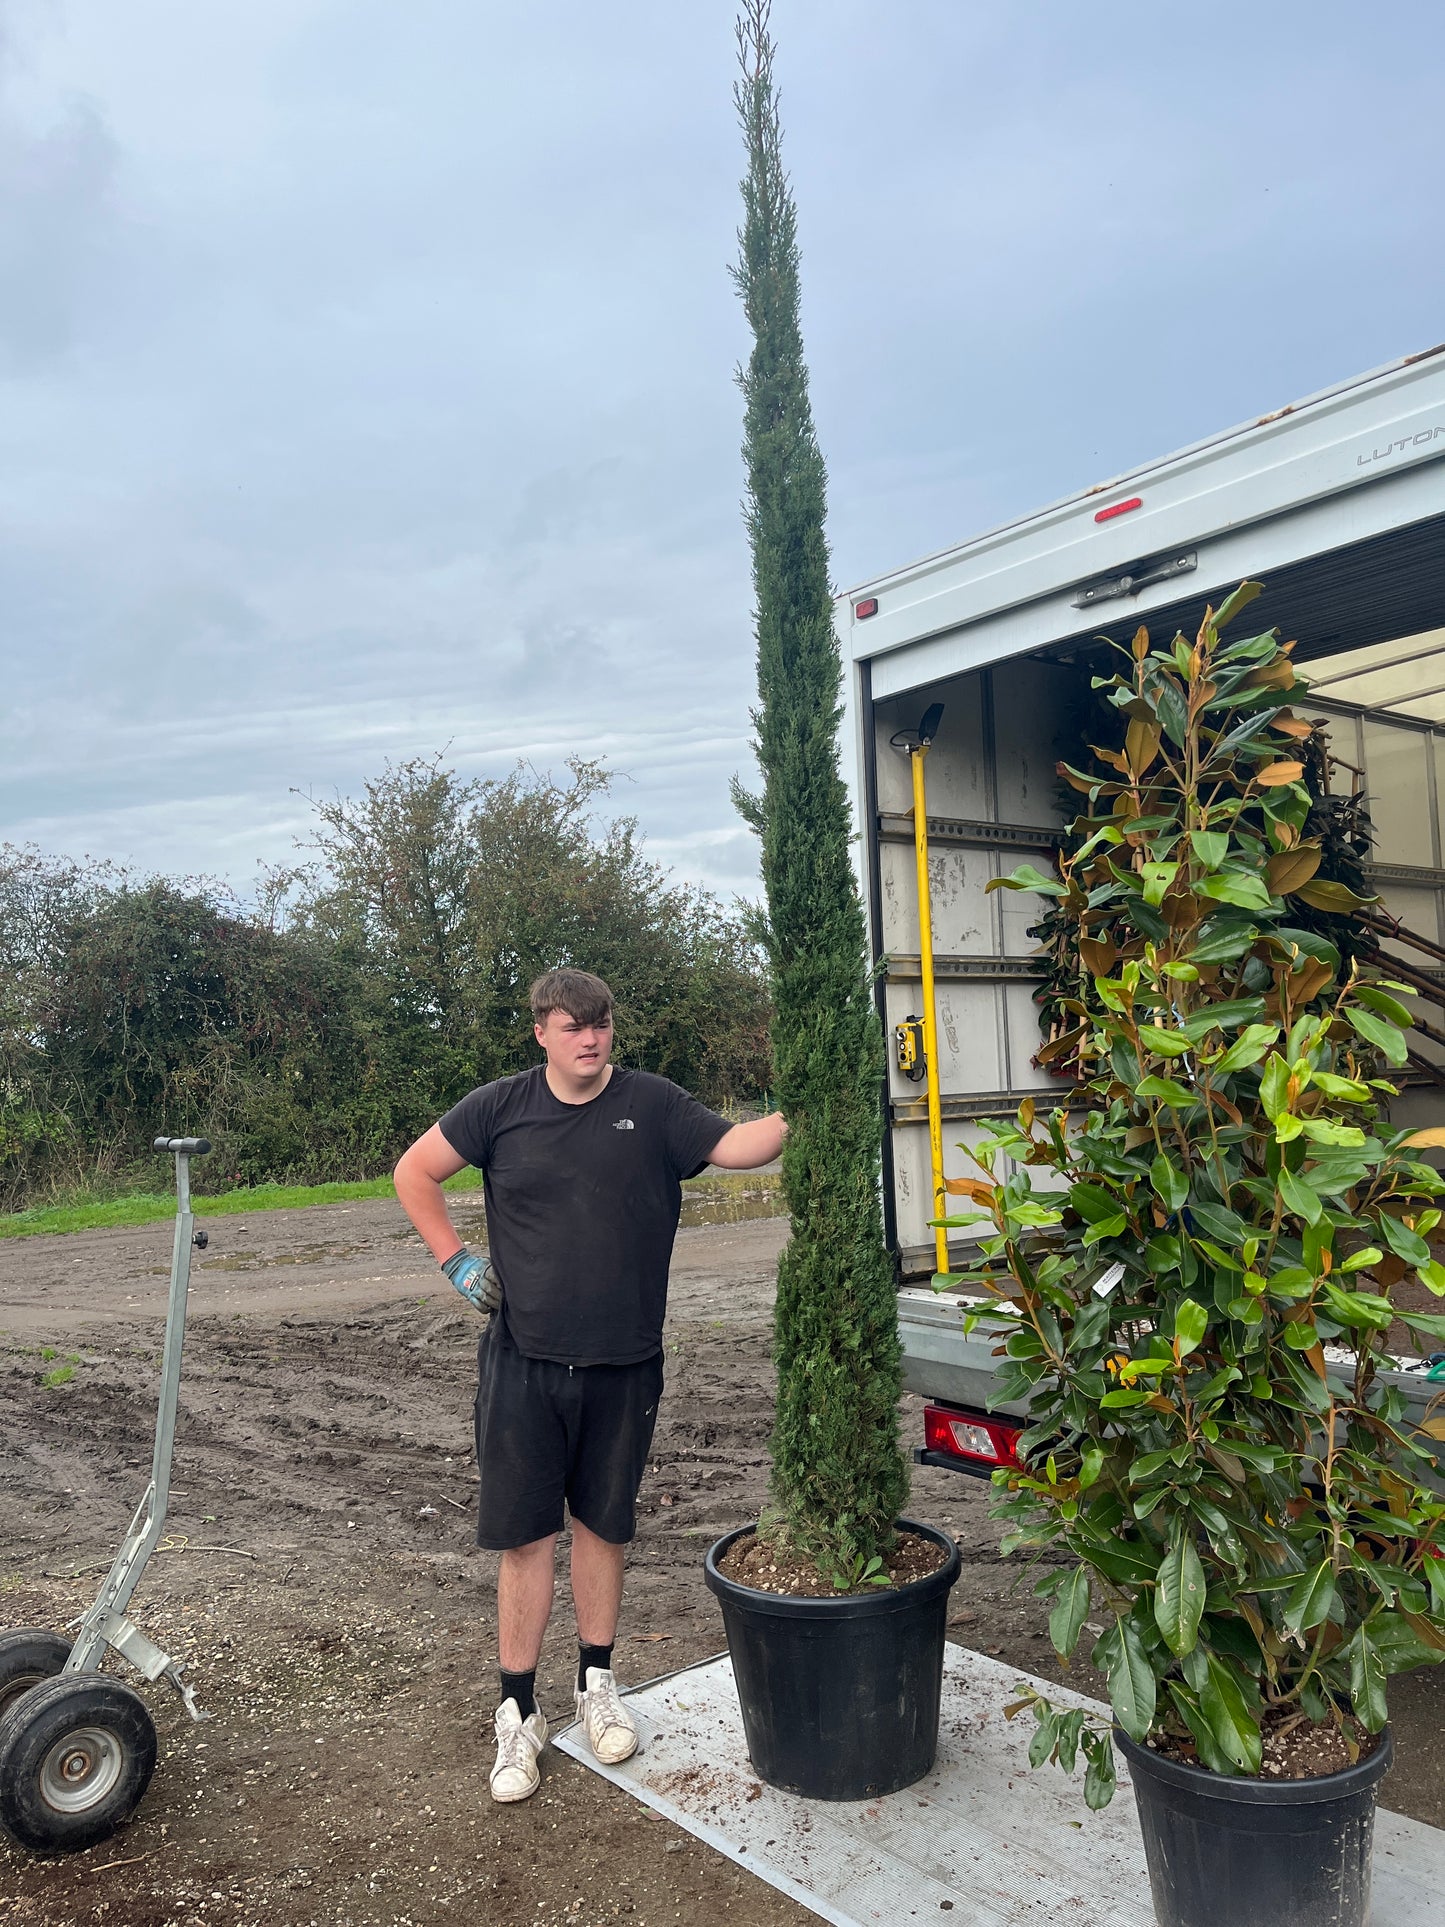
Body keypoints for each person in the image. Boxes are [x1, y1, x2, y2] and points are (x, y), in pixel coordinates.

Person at [393, 967, 785, 1803]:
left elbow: (742, 1145)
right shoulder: (499, 1107)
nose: (590, 1037)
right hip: (524, 1364)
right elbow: (414, 1172)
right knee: (527, 1537)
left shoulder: (655, 1104)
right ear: (541, 1031)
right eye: (572, 1025)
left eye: (600, 1023)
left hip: (624, 1364)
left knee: (601, 1526)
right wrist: (457, 1260)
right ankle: (517, 1713)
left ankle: (597, 1687)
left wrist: (813, 1096)